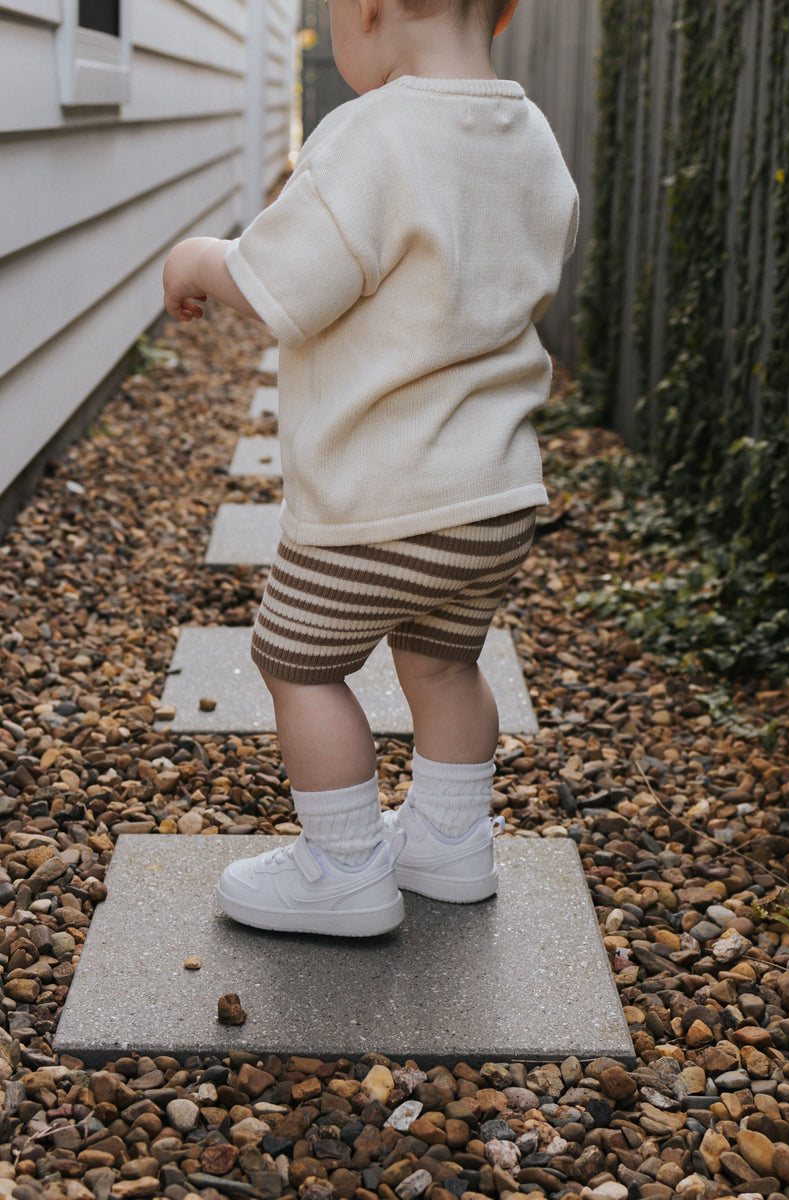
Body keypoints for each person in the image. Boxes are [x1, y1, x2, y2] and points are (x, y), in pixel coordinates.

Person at [162, 0, 578, 938]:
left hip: (378, 505)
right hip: (494, 498)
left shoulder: (374, 133)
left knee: (297, 663)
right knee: (443, 663)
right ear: (504, 10)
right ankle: (450, 843)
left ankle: (343, 870)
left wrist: (200, 256)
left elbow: (284, 283)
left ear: (369, 11)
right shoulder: (530, 133)